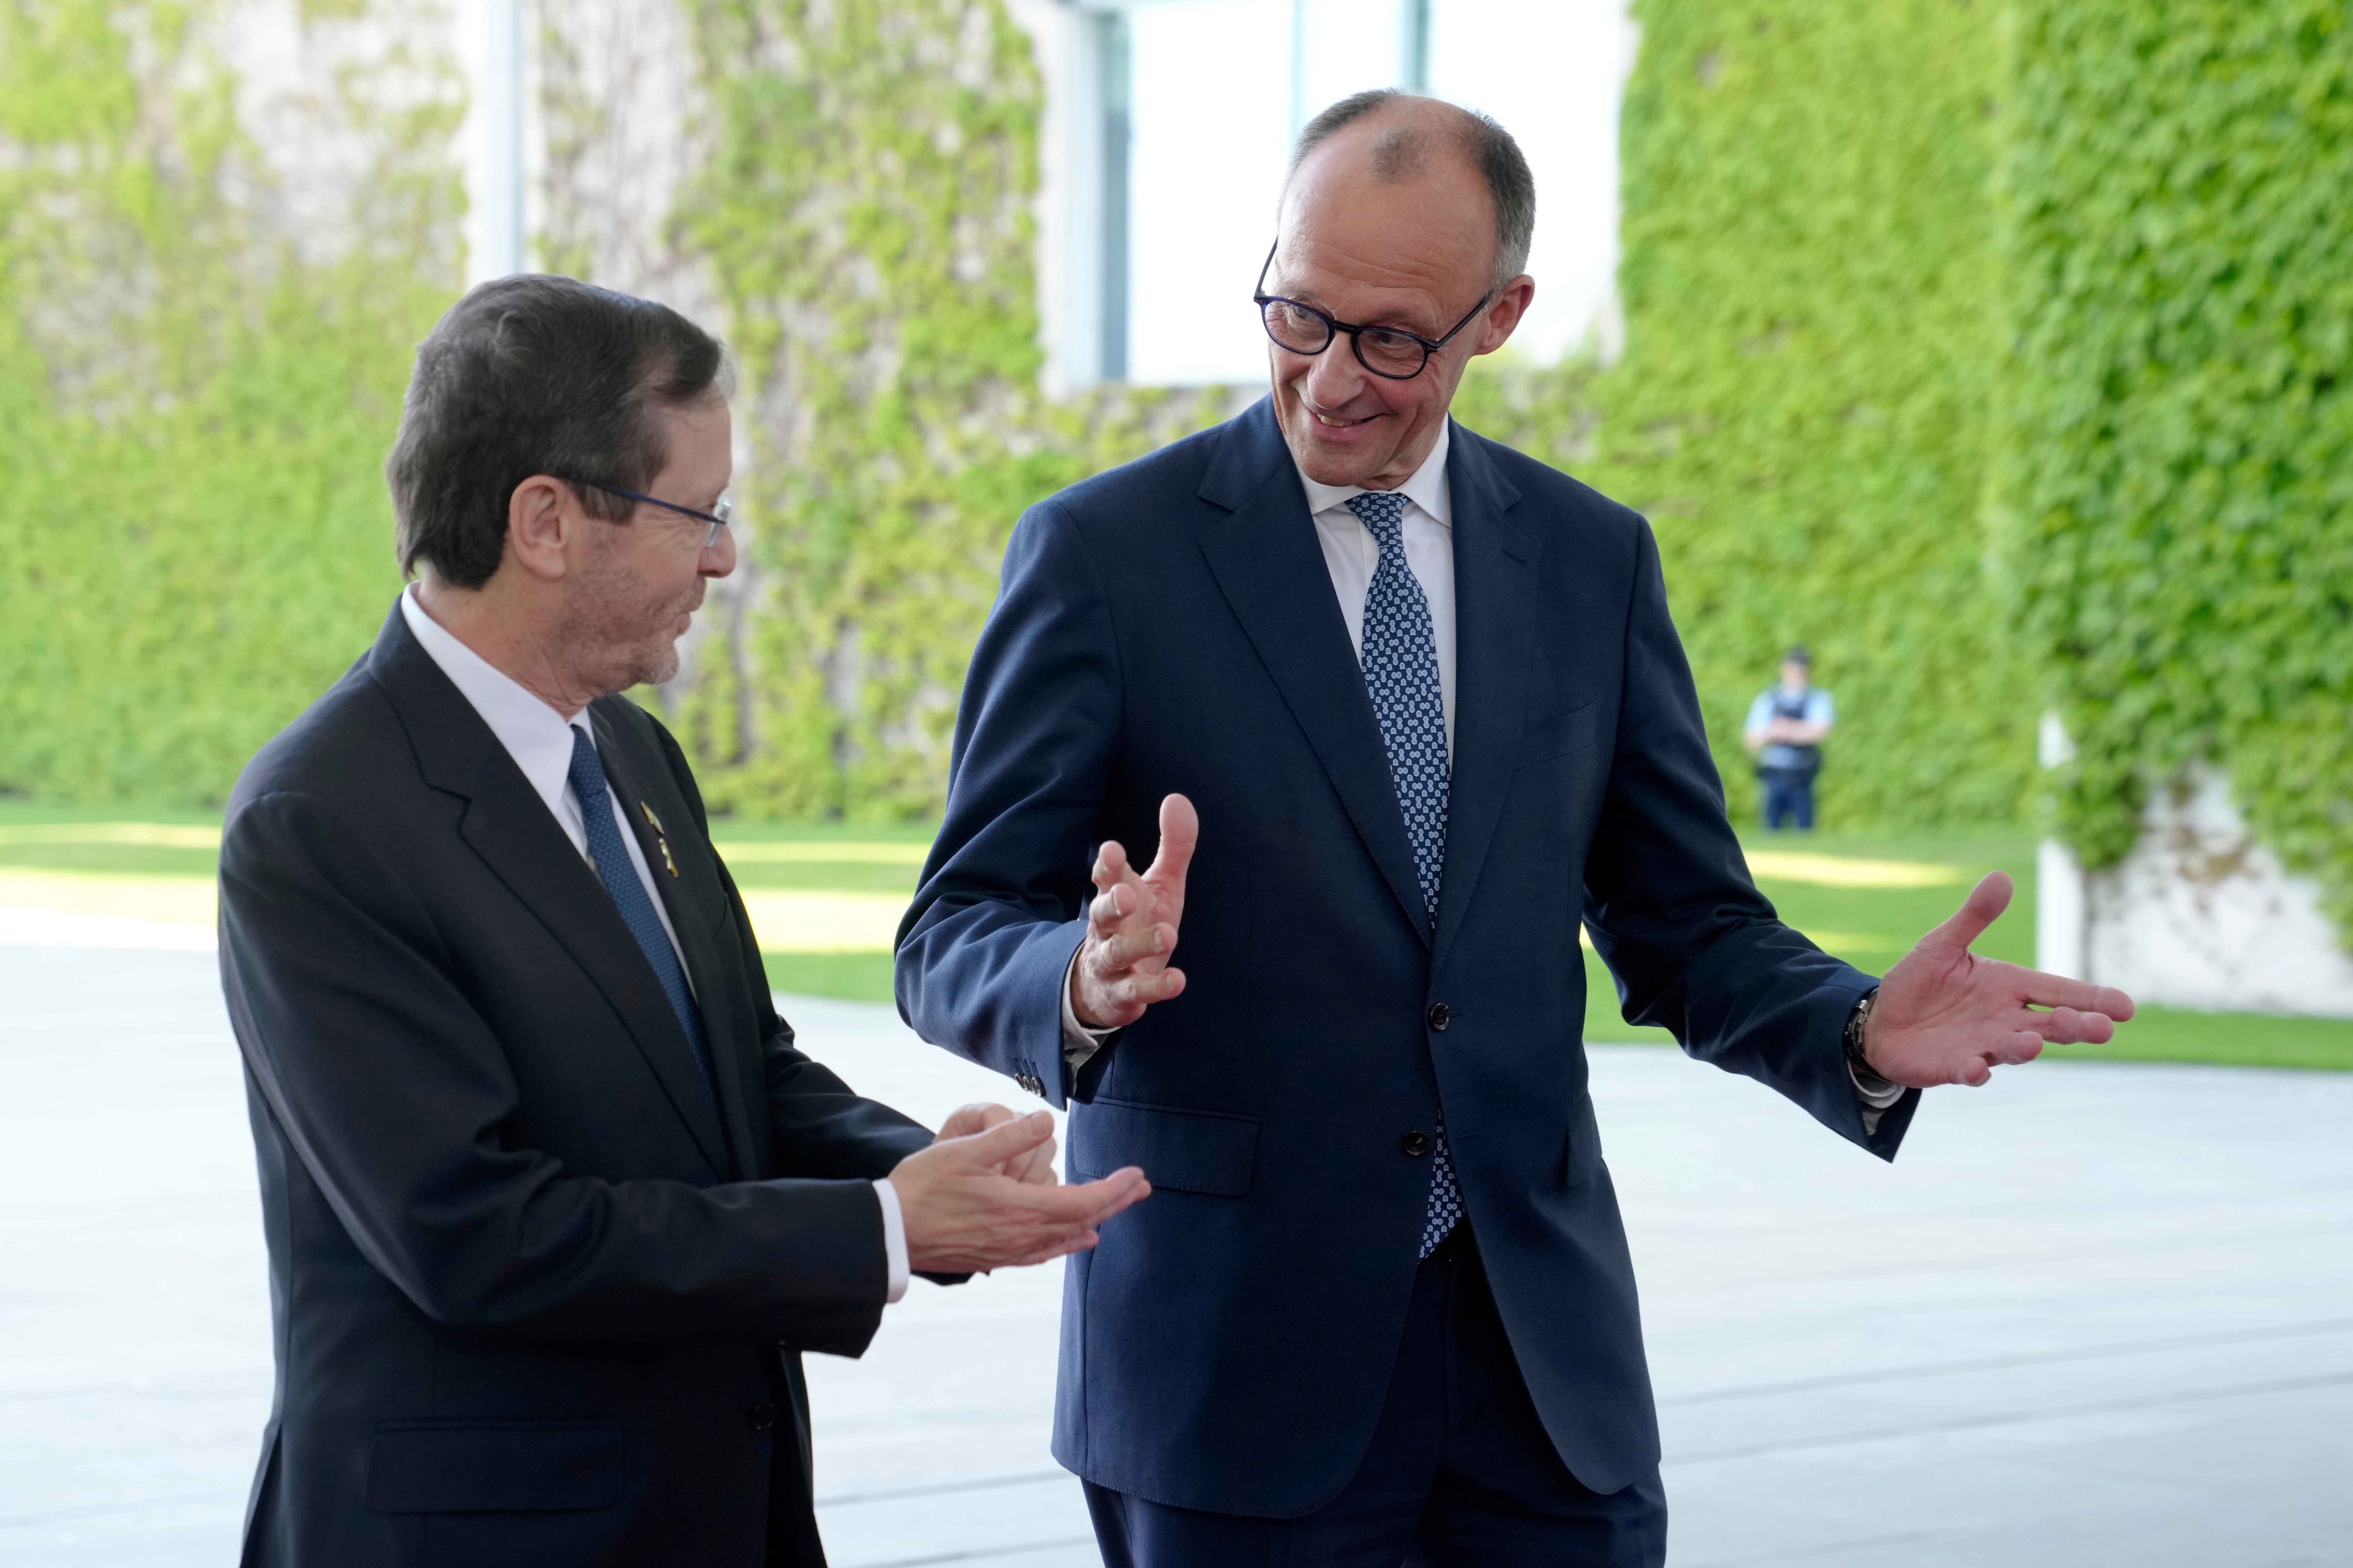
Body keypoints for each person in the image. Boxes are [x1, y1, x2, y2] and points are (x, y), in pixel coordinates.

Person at [896, 92, 2133, 1567]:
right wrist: (1079, 982)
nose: (1332, 379)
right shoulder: (1104, 555)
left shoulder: (1591, 560)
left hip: (1544, 1381)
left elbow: (1685, 926)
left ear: (1500, 315)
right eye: (1299, 315)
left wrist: (1854, 1028)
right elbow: (953, 928)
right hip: (1233, 1373)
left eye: (1394, 338)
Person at [216, 275, 1148, 1568]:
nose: (721, 554)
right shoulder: (319, 820)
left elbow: (737, 1073)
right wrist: (880, 1230)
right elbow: (476, 1235)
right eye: (697, 513)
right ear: (546, 519)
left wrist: (923, 1170)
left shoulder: (636, 756)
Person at [1742, 646, 1835, 830]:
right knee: (1771, 829)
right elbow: (1752, 739)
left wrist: (1783, 729)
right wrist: (1786, 731)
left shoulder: (1817, 698)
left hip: (1803, 774)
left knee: (1804, 830)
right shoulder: (1769, 699)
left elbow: (1818, 732)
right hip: (1774, 773)